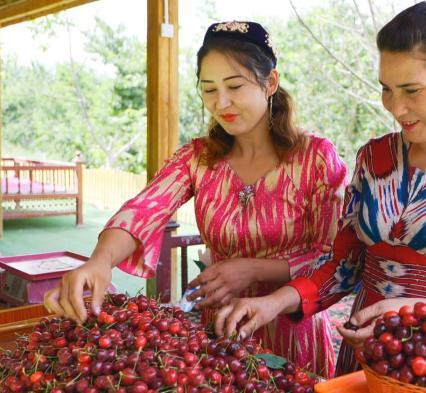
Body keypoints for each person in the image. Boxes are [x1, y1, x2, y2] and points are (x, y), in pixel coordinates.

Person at [216, 2, 426, 383]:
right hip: (366, 363)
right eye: (387, 90)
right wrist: (273, 302)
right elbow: (344, 265)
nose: (396, 107)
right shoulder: (374, 158)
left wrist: (416, 314)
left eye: (412, 90)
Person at [43, 20, 346, 378]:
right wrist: (100, 261)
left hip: (293, 327)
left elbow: (331, 255)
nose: (221, 102)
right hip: (218, 330)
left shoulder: (314, 158)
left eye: (234, 86)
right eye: (208, 89)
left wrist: (253, 269)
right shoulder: (198, 158)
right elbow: (144, 209)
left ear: (271, 83)